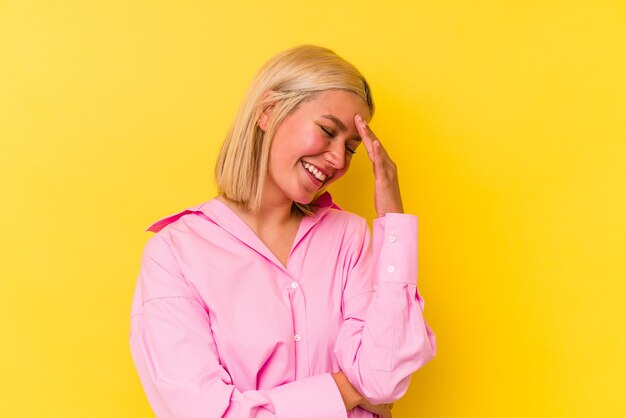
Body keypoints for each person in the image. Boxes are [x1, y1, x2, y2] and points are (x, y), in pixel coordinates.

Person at [129, 45, 436, 418]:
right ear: (268, 112)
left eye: (351, 148)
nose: (338, 160)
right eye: (327, 131)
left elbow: (384, 378)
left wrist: (394, 222)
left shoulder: (350, 239)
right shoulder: (176, 254)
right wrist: (343, 389)